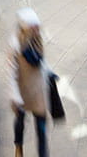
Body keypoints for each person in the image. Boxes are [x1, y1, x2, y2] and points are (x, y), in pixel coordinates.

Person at [9, 9, 52, 157]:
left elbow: (42, 60)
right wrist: (15, 95)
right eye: (33, 26)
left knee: (41, 126)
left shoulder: (38, 37)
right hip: (22, 89)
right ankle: (18, 147)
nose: (37, 28)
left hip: (38, 89)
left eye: (37, 25)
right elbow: (12, 72)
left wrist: (49, 72)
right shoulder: (16, 43)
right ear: (25, 27)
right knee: (20, 121)